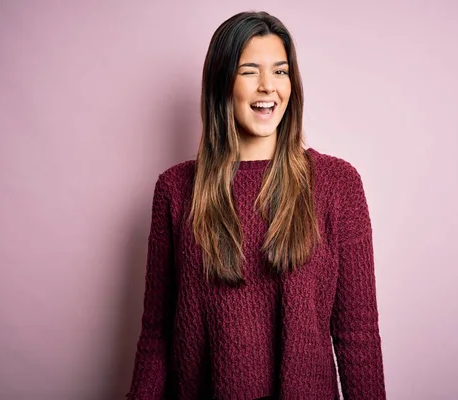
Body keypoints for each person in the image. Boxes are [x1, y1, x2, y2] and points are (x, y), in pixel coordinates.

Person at [126, 10, 386, 400]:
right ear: (222, 83)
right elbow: (157, 334)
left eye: (280, 72)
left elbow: (357, 333)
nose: (268, 87)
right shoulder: (175, 190)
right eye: (249, 71)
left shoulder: (337, 184)